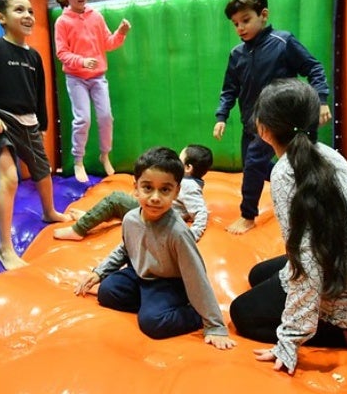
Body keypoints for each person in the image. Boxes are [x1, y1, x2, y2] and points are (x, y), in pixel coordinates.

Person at [228, 78, 347, 375]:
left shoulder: (285, 173)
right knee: (258, 274)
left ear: (263, 129)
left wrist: (290, 339)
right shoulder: (328, 154)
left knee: (243, 314)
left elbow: (307, 261)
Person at [75, 147, 236, 350]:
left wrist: (214, 325)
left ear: (177, 191)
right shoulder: (131, 219)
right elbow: (125, 248)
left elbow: (196, 276)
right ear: (136, 188)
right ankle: (151, 303)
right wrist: (99, 272)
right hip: (140, 274)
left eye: (165, 190)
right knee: (106, 292)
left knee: (152, 323)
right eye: (148, 188)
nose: (155, 197)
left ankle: (191, 313)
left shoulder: (177, 232)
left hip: (168, 282)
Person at [213, 0, 332, 235]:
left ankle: (248, 216)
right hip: (251, 123)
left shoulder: (283, 42)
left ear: (263, 15)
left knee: (256, 164)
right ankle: (301, 190)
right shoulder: (237, 54)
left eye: (246, 20)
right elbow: (229, 89)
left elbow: (314, 68)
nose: (240, 28)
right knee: (255, 166)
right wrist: (221, 116)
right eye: (235, 24)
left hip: (280, 121)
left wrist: (321, 100)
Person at [0, 0, 71, 270]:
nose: (27, 15)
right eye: (19, 10)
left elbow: (40, 94)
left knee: (43, 170)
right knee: (10, 179)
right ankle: (6, 248)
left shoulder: (34, 56)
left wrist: (43, 123)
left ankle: (49, 211)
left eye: (30, 11)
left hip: (29, 121)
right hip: (1, 121)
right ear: (1, 18)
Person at [54, 0, 131, 183]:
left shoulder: (95, 17)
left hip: (97, 77)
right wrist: (81, 61)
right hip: (76, 78)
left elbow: (108, 43)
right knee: (83, 119)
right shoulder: (62, 22)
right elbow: (61, 53)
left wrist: (121, 32)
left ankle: (104, 155)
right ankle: (78, 160)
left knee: (106, 116)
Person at [53, 144, 213, 241]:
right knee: (122, 202)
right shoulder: (188, 184)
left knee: (115, 199)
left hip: (156, 215)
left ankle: (78, 230)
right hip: (152, 211)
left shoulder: (188, 186)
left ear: (187, 168)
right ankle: (91, 218)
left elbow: (201, 211)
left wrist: (192, 235)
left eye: (180, 159)